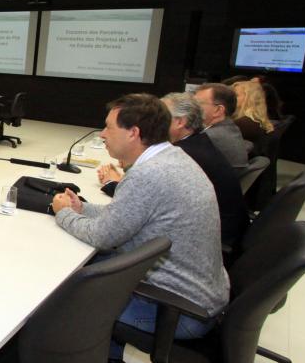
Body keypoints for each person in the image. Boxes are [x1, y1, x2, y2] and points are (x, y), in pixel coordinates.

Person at [52, 93, 229, 359]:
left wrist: (63, 214)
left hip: (177, 310)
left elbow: (103, 236)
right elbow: (125, 215)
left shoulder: (148, 175)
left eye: (109, 127)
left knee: (58, 298)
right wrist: (82, 208)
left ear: (133, 132)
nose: (102, 134)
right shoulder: (171, 158)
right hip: (199, 296)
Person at [98, 92, 249, 251]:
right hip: (204, 243)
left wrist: (113, 182)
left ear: (180, 122)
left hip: (199, 249)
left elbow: (109, 231)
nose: (154, 122)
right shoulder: (189, 148)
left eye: (162, 117)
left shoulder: (185, 155)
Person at [193, 83, 248, 170]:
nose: (192, 108)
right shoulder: (229, 127)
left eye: (197, 104)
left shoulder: (210, 137)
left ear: (218, 110)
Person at [231, 81, 274, 156]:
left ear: (249, 98)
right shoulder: (256, 118)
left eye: (236, 95)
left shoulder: (244, 123)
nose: (232, 98)